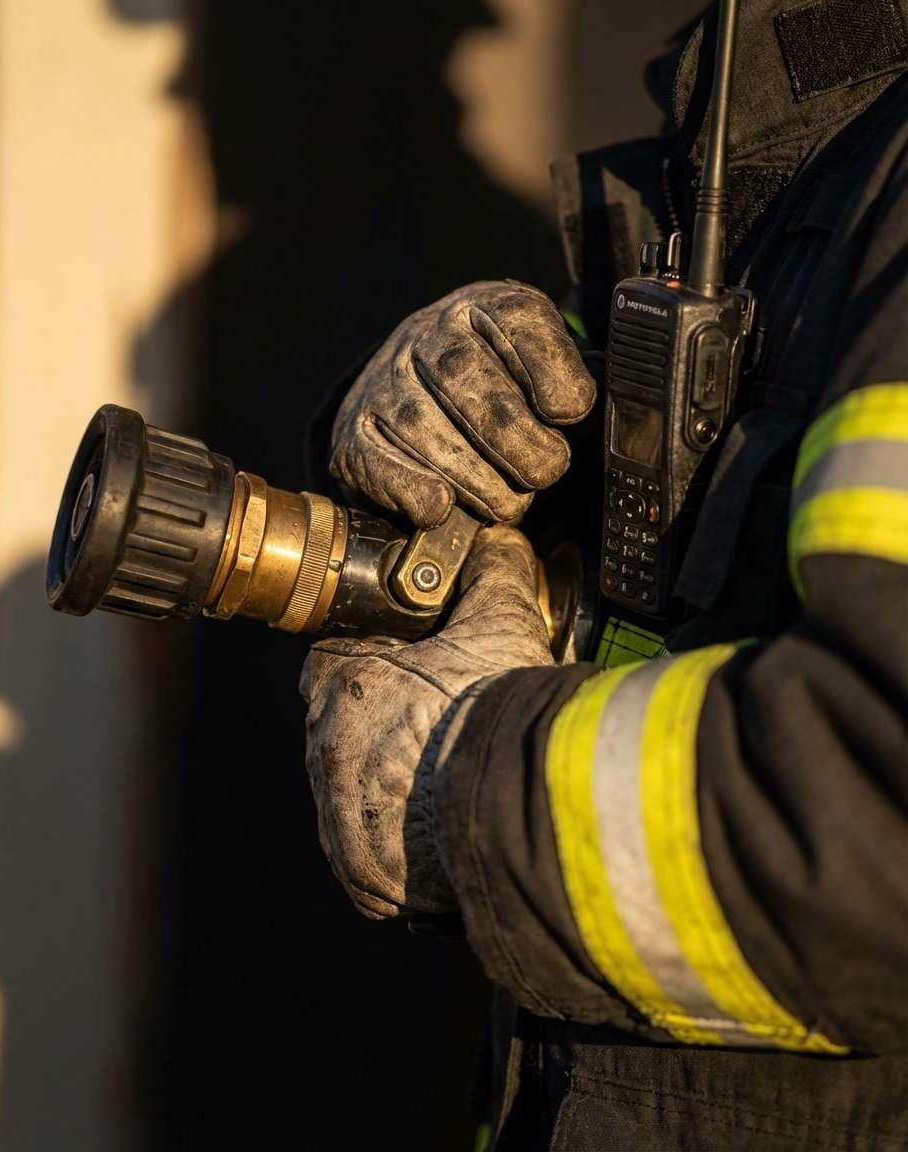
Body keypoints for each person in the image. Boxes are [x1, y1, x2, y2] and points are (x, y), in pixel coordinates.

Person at [301, 1, 908, 1148]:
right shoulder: (786, 140)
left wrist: (464, 784)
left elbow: (877, 804)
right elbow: (684, 604)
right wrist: (450, 447)